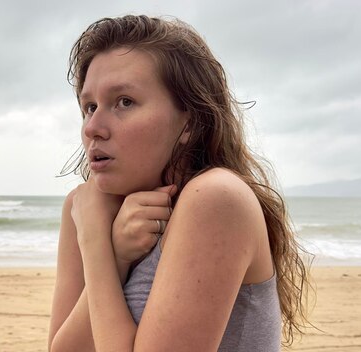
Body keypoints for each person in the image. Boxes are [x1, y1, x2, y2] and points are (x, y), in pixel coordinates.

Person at [48, 15, 311, 351]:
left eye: (124, 102)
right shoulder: (88, 206)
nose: (92, 127)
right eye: (90, 106)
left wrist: (98, 246)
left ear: (189, 122)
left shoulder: (216, 198)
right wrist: (112, 252)